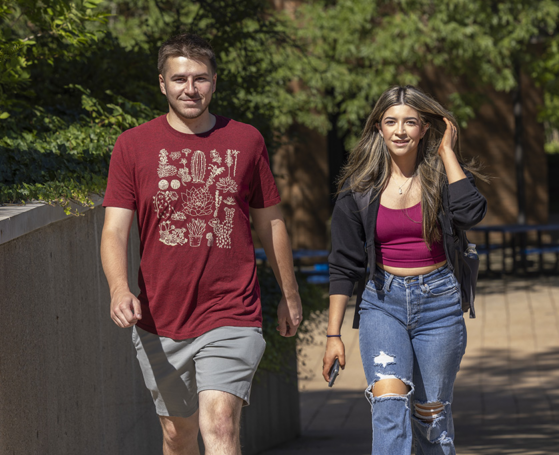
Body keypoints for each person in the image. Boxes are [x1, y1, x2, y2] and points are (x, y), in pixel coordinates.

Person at [100, 33, 303, 455]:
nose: (190, 89)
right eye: (179, 79)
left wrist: (290, 293)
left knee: (221, 424)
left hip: (231, 308)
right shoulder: (132, 146)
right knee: (179, 435)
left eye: (200, 79)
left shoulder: (247, 140)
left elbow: (271, 223)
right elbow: (115, 230)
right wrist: (120, 288)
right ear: (162, 84)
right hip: (161, 315)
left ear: (214, 82)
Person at [322, 85, 486, 454]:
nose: (400, 131)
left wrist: (447, 153)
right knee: (388, 407)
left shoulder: (443, 179)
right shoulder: (358, 191)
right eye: (391, 122)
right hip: (383, 303)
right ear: (378, 128)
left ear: (425, 128)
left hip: (439, 304)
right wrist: (333, 336)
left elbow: (469, 213)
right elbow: (343, 265)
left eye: (410, 122)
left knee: (431, 419)